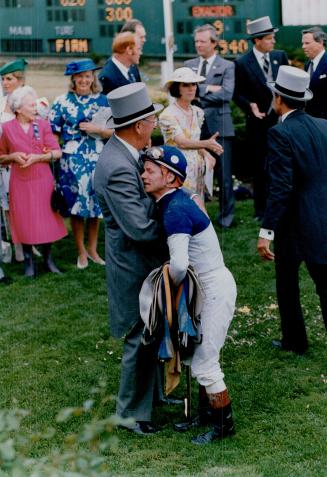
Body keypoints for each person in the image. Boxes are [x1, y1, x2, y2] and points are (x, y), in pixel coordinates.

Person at [141, 145, 237, 444]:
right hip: (208, 286)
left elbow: (180, 265)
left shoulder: (175, 208)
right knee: (198, 352)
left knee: (206, 361)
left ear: (170, 177)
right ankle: (207, 415)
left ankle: (224, 427)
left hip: (213, 289)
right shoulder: (175, 200)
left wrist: (164, 284)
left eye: (149, 170)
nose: (143, 175)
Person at [94, 82, 166, 435]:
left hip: (139, 260)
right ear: (138, 126)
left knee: (150, 329)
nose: (154, 124)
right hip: (133, 263)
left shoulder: (125, 153)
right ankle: (131, 414)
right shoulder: (118, 166)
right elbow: (139, 228)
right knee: (139, 334)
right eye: (151, 119)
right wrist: (178, 220)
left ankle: (148, 397)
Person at [257, 65, 327, 355]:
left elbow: (281, 187)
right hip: (322, 217)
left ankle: (294, 341)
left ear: (278, 98)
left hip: (293, 223)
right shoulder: (324, 125)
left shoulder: (279, 133)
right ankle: (294, 340)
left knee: (287, 284)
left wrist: (266, 230)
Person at [49, 59, 111, 269]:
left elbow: (115, 131)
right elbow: (53, 134)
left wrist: (98, 130)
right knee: (76, 204)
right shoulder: (62, 102)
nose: (84, 80)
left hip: (97, 155)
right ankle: (81, 251)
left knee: (96, 203)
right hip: (71, 159)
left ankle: (93, 249)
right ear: (73, 78)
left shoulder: (103, 101)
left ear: (93, 77)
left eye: (88, 75)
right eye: (80, 76)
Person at [0, 86, 67, 278]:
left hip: (42, 179)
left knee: (46, 219)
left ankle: (47, 259)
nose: (36, 107)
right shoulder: (6, 129)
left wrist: (38, 158)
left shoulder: (43, 125)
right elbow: (1, 156)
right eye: (31, 104)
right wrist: (12, 155)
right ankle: (28, 262)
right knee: (24, 220)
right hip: (19, 181)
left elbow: (57, 152)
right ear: (19, 108)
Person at [234, 16, 288, 221]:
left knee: (281, 165)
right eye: (269, 38)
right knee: (259, 167)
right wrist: (250, 106)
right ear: (257, 40)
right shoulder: (242, 63)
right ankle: (260, 210)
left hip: (280, 120)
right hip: (257, 124)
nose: (273, 41)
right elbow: (237, 93)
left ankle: (282, 206)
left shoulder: (280, 56)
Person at [184, 24, 235, 228]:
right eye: (196, 41)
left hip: (220, 126)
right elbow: (182, 91)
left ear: (214, 43)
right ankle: (195, 215)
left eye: (202, 41)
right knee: (193, 173)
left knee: (224, 175)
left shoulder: (227, 66)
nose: (198, 45)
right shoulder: (188, 64)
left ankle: (226, 218)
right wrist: (208, 88)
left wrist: (198, 90)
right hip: (193, 127)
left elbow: (226, 94)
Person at [159, 67, 222, 200]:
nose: (191, 88)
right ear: (177, 88)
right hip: (177, 167)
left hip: (197, 167)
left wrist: (205, 153)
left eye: (193, 84)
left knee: (198, 206)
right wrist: (207, 144)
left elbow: (194, 141)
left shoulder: (198, 112)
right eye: (185, 85)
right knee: (182, 207)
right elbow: (182, 142)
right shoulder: (167, 115)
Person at [0, 58, 28, 262]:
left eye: (9, 78)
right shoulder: (1, 103)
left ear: (19, 79)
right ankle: (17, 246)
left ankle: (31, 243)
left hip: (25, 163)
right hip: (5, 163)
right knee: (9, 207)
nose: (4, 83)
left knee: (26, 205)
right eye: (3, 79)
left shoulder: (30, 101)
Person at [302, 26, 327, 119]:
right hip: (309, 118)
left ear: (320, 42)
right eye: (303, 43)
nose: (303, 47)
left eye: (307, 43)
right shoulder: (308, 64)